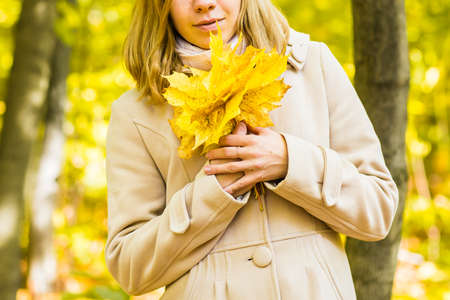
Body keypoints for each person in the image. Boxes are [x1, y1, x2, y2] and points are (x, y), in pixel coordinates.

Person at [104, 0, 400, 299]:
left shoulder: (312, 65)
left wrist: (289, 161)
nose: (204, 3)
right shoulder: (136, 112)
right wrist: (214, 193)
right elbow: (130, 268)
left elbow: (378, 210)